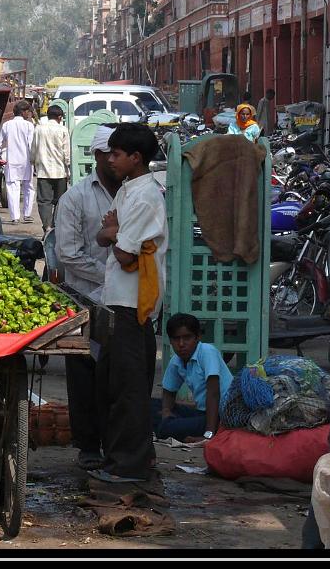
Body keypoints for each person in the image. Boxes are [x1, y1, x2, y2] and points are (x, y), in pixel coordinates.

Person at [91, 122, 168, 483]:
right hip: (117, 299)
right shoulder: (128, 191)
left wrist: (112, 232)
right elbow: (108, 233)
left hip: (132, 303)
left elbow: (122, 250)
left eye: (117, 154)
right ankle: (125, 457)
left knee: (129, 389)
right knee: (116, 384)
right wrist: (111, 232)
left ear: (135, 158)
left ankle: (129, 465)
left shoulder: (144, 196)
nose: (110, 160)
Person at [54, 124, 122, 471]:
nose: (114, 160)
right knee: (84, 376)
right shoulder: (76, 197)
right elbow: (69, 254)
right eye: (109, 153)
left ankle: (116, 444)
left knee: (118, 377)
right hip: (85, 297)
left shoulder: (136, 192)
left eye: (119, 153)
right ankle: (88, 445)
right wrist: (111, 276)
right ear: (97, 156)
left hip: (124, 299)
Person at [152, 313, 233, 443]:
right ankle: (168, 427)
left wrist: (208, 435)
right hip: (201, 413)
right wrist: (166, 410)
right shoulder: (176, 360)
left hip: (220, 416)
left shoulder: (207, 352)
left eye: (187, 338)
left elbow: (213, 394)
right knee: (150, 406)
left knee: (167, 427)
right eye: (176, 339)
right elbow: (168, 391)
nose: (181, 344)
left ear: (197, 337)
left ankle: (211, 432)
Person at [30, 104, 70, 234]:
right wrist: (68, 168)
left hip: (43, 172)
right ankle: (55, 227)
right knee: (60, 202)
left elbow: (33, 149)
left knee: (44, 201)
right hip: (60, 172)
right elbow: (67, 153)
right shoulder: (63, 130)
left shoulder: (39, 129)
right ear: (59, 117)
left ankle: (47, 227)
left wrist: (33, 163)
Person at [0, 100, 36, 224]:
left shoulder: (7, 125)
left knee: (12, 187)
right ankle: (27, 214)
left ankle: (15, 216)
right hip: (26, 161)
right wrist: (34, 160)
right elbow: (31, 145)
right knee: (28, 187)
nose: (29, 114)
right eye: (28, 111)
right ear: (23, 112)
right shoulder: (29, 125)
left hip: (12, 161)